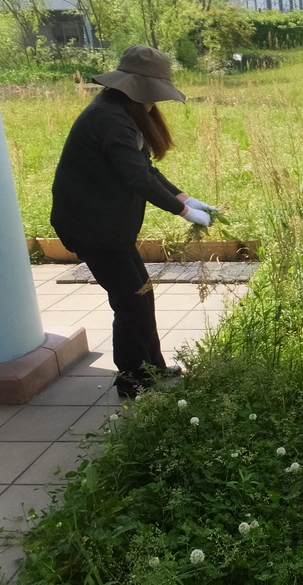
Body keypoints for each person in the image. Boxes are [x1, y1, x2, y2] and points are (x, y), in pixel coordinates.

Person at [50, 45, 215, 399]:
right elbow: (136, 178)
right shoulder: (111, 118)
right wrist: (184, 213)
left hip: (108, 226)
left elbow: (145, 169)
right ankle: (132, 382)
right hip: (91, 227)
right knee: (130, 303)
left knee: (141, 294)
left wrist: (185, 198)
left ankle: (152, 368)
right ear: (138, 88)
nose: (156, 102)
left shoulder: (122, 111)